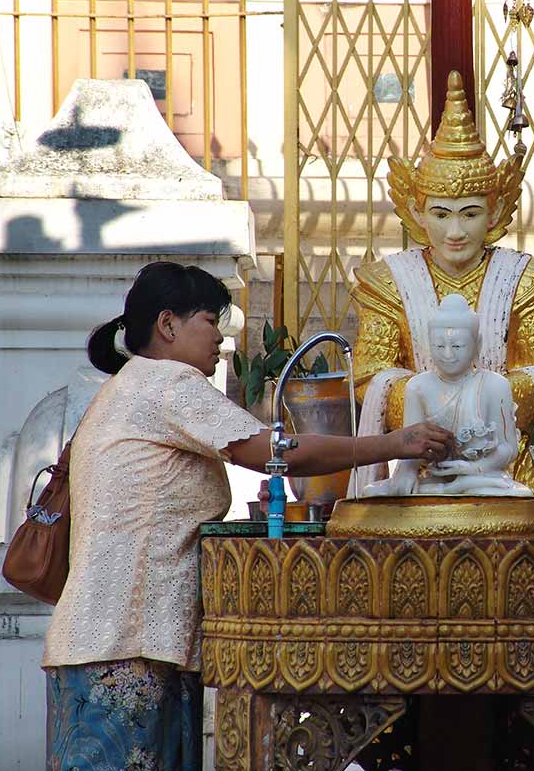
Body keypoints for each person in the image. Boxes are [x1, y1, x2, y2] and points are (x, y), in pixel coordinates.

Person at [41, 261, 454, 771]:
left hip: (111, 640)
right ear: (168, 326)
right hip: (127, 644)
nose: (220, 337)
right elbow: (278, 452)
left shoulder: (132, 386)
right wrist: (394, 444)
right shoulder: (168, 382)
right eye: (211, 321)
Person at [351, 70, 534, 521]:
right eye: (441, 214)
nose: (455, 232)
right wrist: (434, 407)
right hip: (418, 463)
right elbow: (371, 376)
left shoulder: (525, 280)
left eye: (470, 214)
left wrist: (481, 403)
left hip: (504, 470)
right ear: (416, 212)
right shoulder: (388, 282)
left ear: (495, 210)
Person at [363, 294, 533, 497]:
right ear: (429, 344)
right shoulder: (418, 387)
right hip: (432, 479)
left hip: (482, 478)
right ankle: (448, 489)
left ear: (477, 344)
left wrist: (471, 468)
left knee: (520, 494)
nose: (448, 355)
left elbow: (508, 449)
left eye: (458, 346)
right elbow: (410, 447)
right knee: (373, 492)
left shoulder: (495, 385)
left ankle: (453, 489)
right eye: (439, 346)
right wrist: (406, 470)